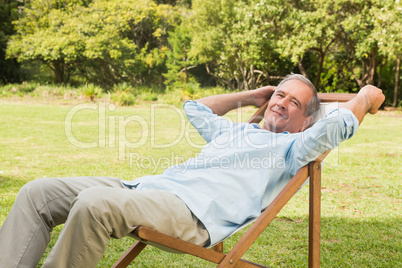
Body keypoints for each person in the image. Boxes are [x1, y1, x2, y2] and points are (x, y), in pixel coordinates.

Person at [0, 74, 385, 267]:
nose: (281, 103)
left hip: (189, 212)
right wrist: (250, 96)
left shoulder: (293, 148)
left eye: (295, 102)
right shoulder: (235, 131)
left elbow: (335, 126)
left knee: (94, 203)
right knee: (37, 192)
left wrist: (364, 97)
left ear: (305, 122)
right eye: (279, 94)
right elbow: (194, 108)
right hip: (146, 188)